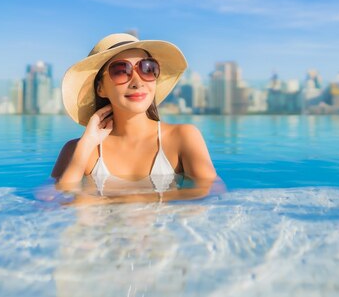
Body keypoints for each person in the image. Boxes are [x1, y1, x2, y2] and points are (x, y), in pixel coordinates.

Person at [51, 33, 218, 204]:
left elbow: (212, 191)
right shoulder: (76, 149)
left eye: (148, 68)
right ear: (101, 88)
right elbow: (52, 201)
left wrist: (134, 198)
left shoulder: (183, 137)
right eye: (121, 71)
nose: (137, 82)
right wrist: (84, 147)